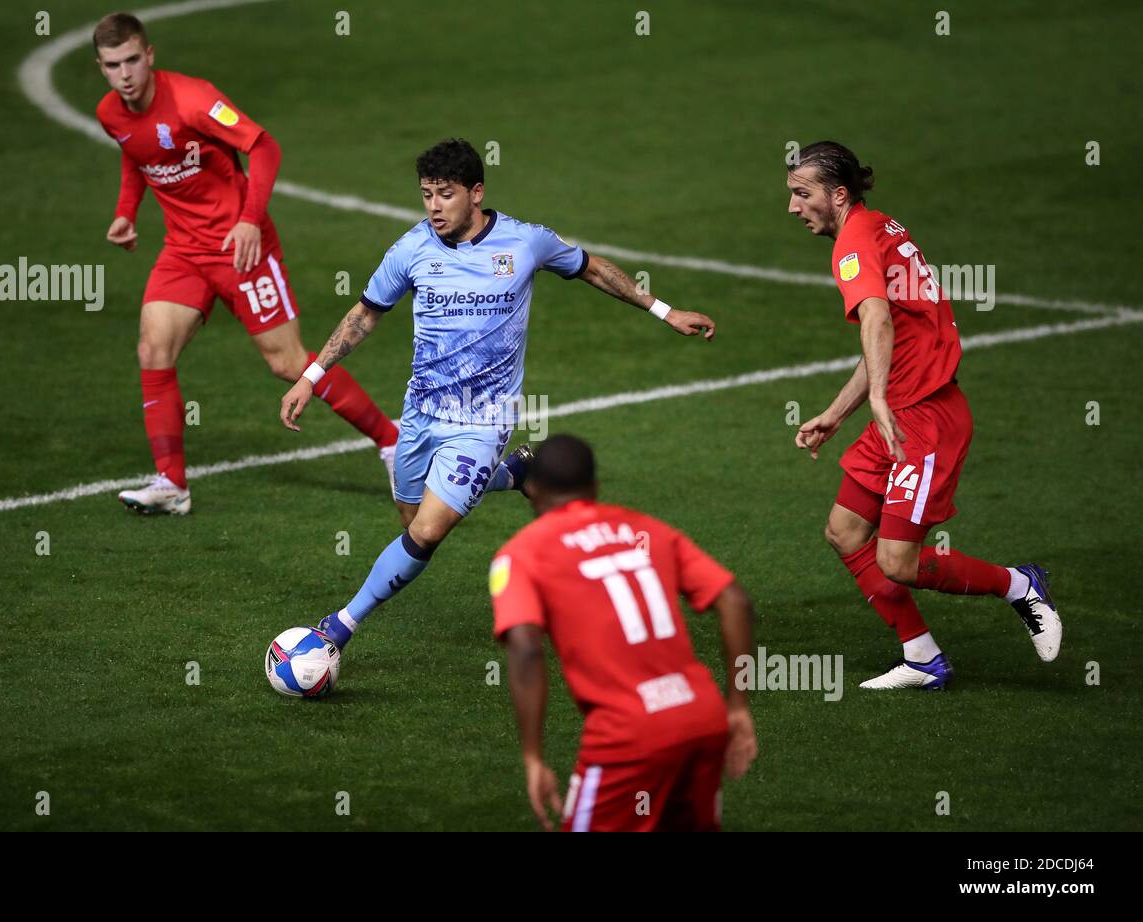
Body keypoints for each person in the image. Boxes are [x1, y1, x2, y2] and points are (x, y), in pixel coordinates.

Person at [280, 139, 716, 650]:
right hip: (421, 412)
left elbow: (592, 267)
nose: (434, 206)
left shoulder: (525, 242)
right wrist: (311, 376)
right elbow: (366, 313)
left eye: (445, 194)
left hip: (485, 416)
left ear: (476, 192)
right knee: (412, 518)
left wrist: (664, 310)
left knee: (427, 533)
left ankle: (337, 627)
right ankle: (514, 473)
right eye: (426, 195)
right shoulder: (411, 250)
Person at [93, 12, 398, 515]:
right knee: (153, 350)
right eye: (111, 65)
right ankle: (172, 485)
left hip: (242, 248)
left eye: (131, 60)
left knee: (286, 362)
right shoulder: (111, 113)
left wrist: (251, 220)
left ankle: (390, 441)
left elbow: (263, 145)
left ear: (149, 56)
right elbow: (136, 153)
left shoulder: (194, 100)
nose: (124, 74)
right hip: (183, 251)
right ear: (101, 68)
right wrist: (126, 213)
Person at [785, 140, 1062, 689]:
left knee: (898, 561)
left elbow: (878, 322)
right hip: (902, 411)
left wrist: (882, 400)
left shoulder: (853, 245)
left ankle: (1018, 585)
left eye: (802, 194)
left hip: (923, 419)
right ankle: (922, 657)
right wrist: (839, 413)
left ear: (837, 194)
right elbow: (890, 341)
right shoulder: (880, 226)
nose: (794, 207)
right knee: (844, 531)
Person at [491, 434, 757, 831]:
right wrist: (736, 704)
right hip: (702, 717)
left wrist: (533, 756)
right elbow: (735, 600)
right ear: (595, 488)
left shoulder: (521, 554)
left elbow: (527, 649)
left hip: (628, 735)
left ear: (533, 489)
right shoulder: (645, 529)